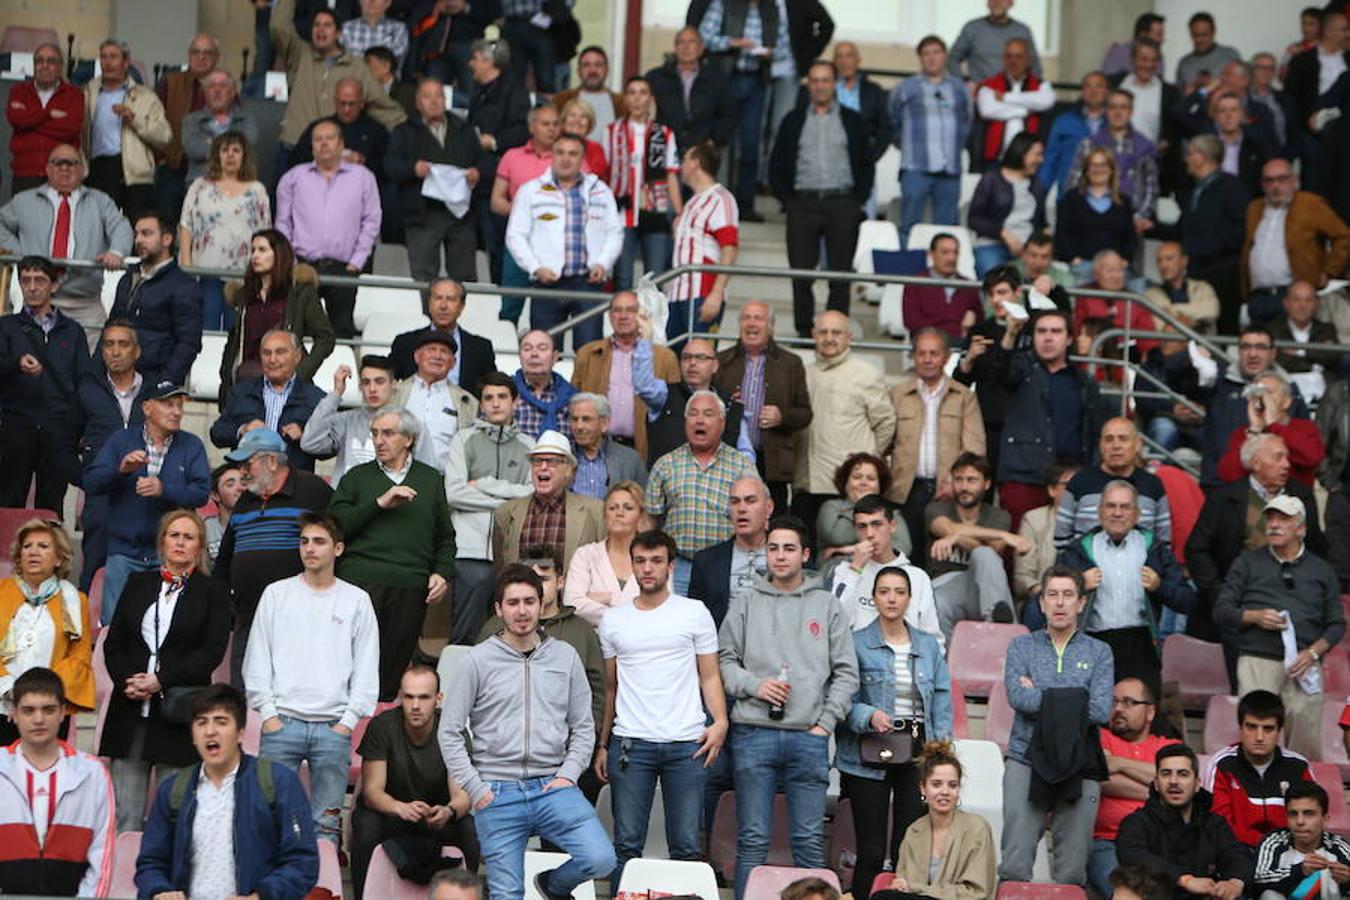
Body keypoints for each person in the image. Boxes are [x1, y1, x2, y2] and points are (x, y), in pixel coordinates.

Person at [438, 564, 616, 900]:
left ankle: (553, 886)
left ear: (541, 603)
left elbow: (582, 726)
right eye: (513, 602)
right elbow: (449, 731)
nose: (522, 611)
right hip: (496, 789)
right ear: (499, 609)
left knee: (601, 858)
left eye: (529, 601)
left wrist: (569, 774)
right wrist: (475, 787)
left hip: (553, 785)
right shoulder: (477, 661)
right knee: (507, 894)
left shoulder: (565, 657)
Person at [718, 515, 859, 899]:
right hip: (753, 732)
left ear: (805, 554)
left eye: (789, 548)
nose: (780, 556)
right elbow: (724, 660)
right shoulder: (746, 602)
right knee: (752, 840)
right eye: (774, 548)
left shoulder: (827, 605)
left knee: (809, 841)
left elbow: (847, 672)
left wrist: (824, 724)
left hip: (808, 737)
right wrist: (755, 685)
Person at [594, 529, 727, 882]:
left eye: (656, 561)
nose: (647, 568)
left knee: (685, 846)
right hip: (630, 741)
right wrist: (604, 744)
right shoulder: (613, 619)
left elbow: (710, 676)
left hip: (686, 742)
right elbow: (611, 687)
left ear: (671, 566)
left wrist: (721, 722)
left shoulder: (694, 612)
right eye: (640, 561)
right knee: (626, 845)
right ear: (632, 565)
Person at [244, 511, 380, 844]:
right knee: (268, 821)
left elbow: (366, 666)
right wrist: (269, 715)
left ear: (338, 549)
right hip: (282, 723)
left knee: (326, 826)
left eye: (319, 542)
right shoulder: (276, 594)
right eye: (304, 541)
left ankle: (324, 879)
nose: (309, 548)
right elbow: (256, 659)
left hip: (333, 727)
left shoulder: (357, 600)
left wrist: (347, 722)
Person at [99, 509, 231, 832]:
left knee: (174, 819)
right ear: (162, 542)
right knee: (125, 818)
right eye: (174, 535)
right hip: (130, 711)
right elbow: (114, 643)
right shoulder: (138, 583)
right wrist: (129, 681)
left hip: (178, 714)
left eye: (189, 537)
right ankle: (124, 868)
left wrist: (161, 680)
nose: (180, 543)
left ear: (199, 546)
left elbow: (211, 653)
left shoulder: (212, 591)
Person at [136, 683, 320, 899]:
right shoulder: (173, 789)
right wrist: (160, 890)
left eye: (221, 722)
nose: (210, 731)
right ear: (193, 735)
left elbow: (302, 862)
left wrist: (260, 896)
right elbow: (150, 862)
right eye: (201, 722)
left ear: (240, 733)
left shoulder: (278, 782)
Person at [835, 566, 954, 899]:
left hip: (917, 752)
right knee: (870, 851)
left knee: (909, 849)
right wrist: (869, 715)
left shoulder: (927, 645)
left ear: (910, 599)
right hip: (867, 752)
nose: (892, 599)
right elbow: (840, 699)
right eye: (884, 591)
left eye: (899, 592)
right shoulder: (855, 643)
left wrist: (941, 749)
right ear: (873, 598)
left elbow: (941, 697)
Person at [328, 407, 455, 699]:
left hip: (410, 585)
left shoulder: (430, 479)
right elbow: (334, 528)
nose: (378, 440)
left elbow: (445, 538)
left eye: (387, 433)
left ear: (408, 439)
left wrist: (442, 573)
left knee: (389, 676)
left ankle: (376, 726)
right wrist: (379, 503)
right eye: (374, 433)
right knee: (345, 670)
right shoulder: (357, 477)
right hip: (358, 581)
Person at [1000, 565, 1114, 887]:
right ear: (1041, 603)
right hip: (1026, 756)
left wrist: (1041, 693)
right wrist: (1076, 698)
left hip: (1081, 759)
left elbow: (1100, 710)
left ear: (1081, 603)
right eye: (1052, 594)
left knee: (1073, 871)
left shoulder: (1100, 652)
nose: (1060, 602)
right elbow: (1018, 698)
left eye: (1068, 595)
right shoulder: (1021, 646)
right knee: (1015, 863)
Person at [1214, 497, 1342, 760]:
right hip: (1257, 659)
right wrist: (1254, 616)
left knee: (1305, 735)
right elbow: (1222, 611)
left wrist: (1313, 653)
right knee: (1255, 734)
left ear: (1301, 529)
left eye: (1283, 519)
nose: (1273, 524)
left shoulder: (1322, 570)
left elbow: (1336, 624)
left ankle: (1300, 784)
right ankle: (1252, 783)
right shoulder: (1247, 562)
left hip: (1304, 663)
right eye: (1271, 518)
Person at [213, 427, 335, 687]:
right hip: (248, 619)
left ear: (271, 461)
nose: (242, 472)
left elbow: (336, 544)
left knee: (291, 691)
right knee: (245, 695)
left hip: (299, 620)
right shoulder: (246, 500)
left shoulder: (312, 490)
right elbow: (224, 559)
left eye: (247, 464)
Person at [84, 380, 212, 624]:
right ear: (147, 408)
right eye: (168, 404)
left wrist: (164, 489)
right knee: (116, 627)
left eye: (180, 405)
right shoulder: (121, 440)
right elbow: (91, 482)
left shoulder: (191, 445)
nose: (177, 412)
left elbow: (201, 493)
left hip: (169, 556)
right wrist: (120, 470)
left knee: (165, 626)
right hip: (123, 552)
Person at [1186, 432, 1327, 651]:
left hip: (1292, 607)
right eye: (1278, 457)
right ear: (1255, 463)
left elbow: (1317, 548)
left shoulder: (1302, 495)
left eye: (1287, 457)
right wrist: (1219, 593)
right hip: (1236, 609)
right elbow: (1197, 550)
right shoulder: (1223, 498)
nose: (1286, 464)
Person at [351, 665, 479, 900]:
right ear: (401, 697)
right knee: (366, 824)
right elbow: (371, 792)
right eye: (409, 697)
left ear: (438, 699)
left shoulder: (453, 731)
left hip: (436, 817)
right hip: (391, 814)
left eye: (424, 697)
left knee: (470, 829)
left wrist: (448, 811)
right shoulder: (382, 726)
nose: (415, 705)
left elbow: (462, 796)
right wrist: (399, 808)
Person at [769, 59, 873, 338]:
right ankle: (805, 331)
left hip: (843, 203)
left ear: (834, 84)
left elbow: (866, 163)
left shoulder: (853, 120)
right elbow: (776, 164)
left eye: (825, 80)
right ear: (808, 85)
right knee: (801, 273)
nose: (820, 86)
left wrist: (857, 201)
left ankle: (836, 331)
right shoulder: (793, 120)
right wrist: (788, 201)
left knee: (840, 275)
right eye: (814, 81)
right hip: (803, 204)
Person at [1056, 480, 1195, 687]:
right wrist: (1078, 585)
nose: (1117, 513)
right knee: (1094, 705)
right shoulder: (1078, 550)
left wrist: (1160, 586)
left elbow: (1188, 601)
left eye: (1125, 507)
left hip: (1141, 645)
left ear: (1137, 513)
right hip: (1092, 642)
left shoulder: (1154, 549)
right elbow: (1049, 600)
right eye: (1111, 506)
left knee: (1141, 705)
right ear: (1100, 511)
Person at [0, 667, 113, 898]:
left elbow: (102, 854)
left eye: (48, 710)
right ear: (14, 714)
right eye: (28, 710)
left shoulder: (92, 773)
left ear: (63, 712)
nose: (38, 719)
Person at [988, 308, 1103, 530]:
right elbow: (997, 372)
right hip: (1023, 476)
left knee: (1069, 544)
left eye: (1056, 331)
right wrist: (1010, 334)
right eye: (1041, 331)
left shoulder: (1083, 381)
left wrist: (1092, 476)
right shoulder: (1021, 368)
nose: (1048, 338)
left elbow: (1094, 433)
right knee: (1020, 544)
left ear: (1069, 338)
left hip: (1071, 480)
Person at [507, 132, 623, 350]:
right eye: (560, 153)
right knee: (544, 350)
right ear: (552, 156)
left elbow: (614, 232)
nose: (566, 158)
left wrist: (603, 263)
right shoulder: (531, 190)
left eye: (572, 154)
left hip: (588, 282)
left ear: (582, 159)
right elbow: (515, 235)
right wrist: (535, 268)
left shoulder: (600, 190)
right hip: (546, 282)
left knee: (590, 352)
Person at [0, 145, 133, 334]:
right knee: (31, 353)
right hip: (36, 303)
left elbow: (121, 226)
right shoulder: (23, 201)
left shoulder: (100, 201)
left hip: (85, 303)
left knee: (91, 352)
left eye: (71, 163)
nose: (64, 168)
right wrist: (20, 253)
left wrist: (116, 252)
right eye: (58, 163)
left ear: (83, 170)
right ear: (47, 169)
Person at [443, 371, 534, 645]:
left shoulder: (529, 445)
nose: (495, 403)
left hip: (513, 551)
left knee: (513, 634)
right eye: (489, 398)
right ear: (481, 403)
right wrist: (509, 501)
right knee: (465, 634)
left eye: (502, 397)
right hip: (470, 550)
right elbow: (454, 493)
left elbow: (532, 494)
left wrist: (483, 484)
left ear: (515, 402)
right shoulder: (463, 439)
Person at [0, 255, 92, 512]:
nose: (32, 287)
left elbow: (84, 380)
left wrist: (82, 427)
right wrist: (16, 363)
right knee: (8, 502)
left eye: (39, 280)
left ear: (54, 285)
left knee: (51, 506)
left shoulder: (73, 331)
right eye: (25, 280)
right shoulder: (6, 326)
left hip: (59, 428)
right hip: (16, 425)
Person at [276, 118, 382, 338]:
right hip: (302, 266)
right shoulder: (293, 177)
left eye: (329, 138)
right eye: (318, 139)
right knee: (297, 332)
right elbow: (282, 223)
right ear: (312, 145)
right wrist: (291, 262)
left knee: (341, 332)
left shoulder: (363, 177)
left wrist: (356, 262)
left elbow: (372, 219)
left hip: (345, 267)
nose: (324, 143)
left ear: (341, 144)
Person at [888, 328, 986, 561]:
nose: (928, 359)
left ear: (946, 356)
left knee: (940, 557)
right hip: (905, 489)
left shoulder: (964, 396)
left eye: (934, 353)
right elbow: (884, 442)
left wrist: (956, 481)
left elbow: (975, 448)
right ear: (913, 356)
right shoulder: (897, 395)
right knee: (906, 555)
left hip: (948, 489)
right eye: (921, 353)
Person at [646, 391, 757, 595]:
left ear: (722, 423)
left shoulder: (742, 466)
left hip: (725, 566)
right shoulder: (665, 465)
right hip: (678, 567)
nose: (699, 420)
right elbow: (650, 523)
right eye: (693, 414)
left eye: (708, 414)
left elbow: (756, 519)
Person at [269, 0, 405, 167]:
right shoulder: (299, 55)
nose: (321, 30)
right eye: (316, 25)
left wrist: (412, 132)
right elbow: (279, 27)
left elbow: (383, 107)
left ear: (339, 33)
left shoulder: (356, 66)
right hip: (294, 148)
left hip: (332, 156)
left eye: (327, 25)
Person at [796, 311, 896, 531]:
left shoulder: (866, 374)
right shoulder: (802, 374)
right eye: (823, 332)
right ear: (813, 335)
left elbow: (886, 423)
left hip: (846, 489)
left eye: (836, 332)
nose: (829, 338)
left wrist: (865, 460)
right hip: (807, 484)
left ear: (849, 336)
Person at [1115, 742, 1252, 898]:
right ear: (1157, 784)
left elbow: (1236, 855)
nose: (1174, 781)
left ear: (1197, 784)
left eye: (1183, 774)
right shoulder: (1136, 822)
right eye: (1166, 774)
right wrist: (1184, 880)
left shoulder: (1214, 823)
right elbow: (1132, 855)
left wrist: (1235, 882)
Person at [713, 301, 812, 513]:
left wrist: (782, 416)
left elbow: (805, 414)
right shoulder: (721, 361)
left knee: (773, 520)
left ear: (771, 326)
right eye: (746, 318)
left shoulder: (791, 363)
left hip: (773, 462)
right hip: (729, 459)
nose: (751, 324)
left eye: (758, 318)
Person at [0, 521, 94, 744]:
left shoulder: (75, 600)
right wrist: (12, 692)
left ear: (59, 558)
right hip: (3, 703)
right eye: (27, 546)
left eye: (43, 546)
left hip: (49, 708)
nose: (33, 551)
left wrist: (44, 694)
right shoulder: (1, 592)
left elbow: (79, 657)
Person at [386, 77, 484, 288]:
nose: (434, 101)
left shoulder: (463, 128)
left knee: (464, 277)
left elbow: (483, 161)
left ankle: (465, 311)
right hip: (421, 214)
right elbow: (390, 166)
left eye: (438, 96)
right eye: (427, 96)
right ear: (417, 102)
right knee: (424, 278)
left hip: (460, 215)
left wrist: (477, 172)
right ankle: (427, 311)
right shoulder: (404, 131)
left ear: (445, 100)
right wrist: (413, 169)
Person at [219, 228, 335, 402]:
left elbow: (326, 338)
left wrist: (301, 373)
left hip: (286, 386)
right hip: (246, 384)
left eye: (262, 250)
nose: (255, 256)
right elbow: (233, 342)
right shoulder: (245, 295)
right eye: (253, 250)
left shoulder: (300, 294)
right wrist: (226, 376)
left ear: (279, 254)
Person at [1087, 677, 1175, 898]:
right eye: (1114, 701)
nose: (1118, 708)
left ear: (1150, 712)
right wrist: (1160, 790)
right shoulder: (1097, 737)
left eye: (1128, 702)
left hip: (1159, 844)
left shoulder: (1169, 746)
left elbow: (1178, 783)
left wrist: (1120, 763)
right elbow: (1103, 780)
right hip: (1107, 841)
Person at [178, 131, 272, 331]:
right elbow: (186, 225)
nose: (230, 155)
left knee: (236, 330)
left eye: (236, 150)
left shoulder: (257, 190)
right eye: (225, 150)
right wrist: (187, 267)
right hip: (204, 272)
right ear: (217, 155)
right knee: (205, 328)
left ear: (244, 156)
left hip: (243, 274)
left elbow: (265, 233)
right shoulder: (199, 187)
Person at [571, 291, 679, 461]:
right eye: (617, 310)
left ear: (642, 315)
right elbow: (574, 401)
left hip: (645, 449)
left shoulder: (665, 358)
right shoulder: (587, 353)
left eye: (630, 310)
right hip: (597, 448)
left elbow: (675, 409)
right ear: (609, 316)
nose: (623, 316)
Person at [1242, 158, 1350, 326]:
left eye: (1282, 179)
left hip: (1295, 296)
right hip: (1258, 296)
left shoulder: (1310, 204)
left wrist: (1330, 271)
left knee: (1293, 340)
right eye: (1269, 181)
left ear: (1294, 181)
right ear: (1262, 184)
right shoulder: (1254, 208)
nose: (1276, 186)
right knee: (1259, 340)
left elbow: (1343, 236)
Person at [1205, 689, 1317, 850]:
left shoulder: (1298, 766)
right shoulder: (1222, 765)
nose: (1259, 737)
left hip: (1288, 853)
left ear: (1279, 731)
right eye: (1251, 727)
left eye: (1268, 729)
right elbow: (1218, 827)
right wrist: (1266, 844)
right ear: (1240, 728)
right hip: (1236, 852)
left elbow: (1311, 822)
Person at [927, 453, 1023, 639]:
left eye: (971, 480)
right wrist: (1002, 534)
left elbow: (994, 550)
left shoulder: (998, 516)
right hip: (945, 585)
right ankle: (945, 659)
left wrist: (957, 537)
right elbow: (947, 528)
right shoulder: (937, 508)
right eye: (958, 480)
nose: (964, 487)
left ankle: (997, 628)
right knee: (936, 603)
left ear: (986, 483)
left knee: (985, 554)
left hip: (983, 588)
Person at [828, 494, 942, 648]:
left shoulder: (917, 577)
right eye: (862, 526)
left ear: (892, 526)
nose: (869, 534)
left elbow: (933, 637)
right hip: (859, 658)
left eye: (877, 524)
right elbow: (835, 625)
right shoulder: (844, 572)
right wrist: (855, 570)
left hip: (908, 658)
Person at [888, 35, 971, 244]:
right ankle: (908, 265)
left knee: (946, 230)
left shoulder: (959, 88)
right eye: (926, 54)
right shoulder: (906, 88)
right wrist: (908, 146)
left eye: (936, 52)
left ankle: (941, 267)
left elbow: (967, 122)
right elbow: (892, 120)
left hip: (949, 169)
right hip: (915, 167)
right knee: (910, 226)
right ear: (920, 58)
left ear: (945, 56)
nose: (932, 58)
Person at [889, 740, 997, 900]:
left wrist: (918, 889)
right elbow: (903, 885)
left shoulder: (977, 828)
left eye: (952, 785)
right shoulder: (914, 831)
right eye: (936, 784)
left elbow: (976, 892)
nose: (945, 791)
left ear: (959, 789)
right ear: (923, 788)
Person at [211, 329, 329, 472]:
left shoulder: (316, 398)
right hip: (248, 478)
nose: (272, 359)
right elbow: (217, 432)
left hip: (292, 482)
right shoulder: (241, 392)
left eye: (280, 352)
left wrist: (305, 437)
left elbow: (330, 448)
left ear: (297, 357)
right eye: (266, 353)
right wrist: (242, 430)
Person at [109, 211, 203, 388]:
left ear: (167, 239)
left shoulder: (184, 286)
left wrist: (166, 381)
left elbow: (188, 343)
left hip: (155, 381)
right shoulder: (128, 278)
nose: (138, 240)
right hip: (116, 378)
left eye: (146, 234)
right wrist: (97, 371)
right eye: (136, 234)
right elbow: (111, 327)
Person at [606, 76, 681, 293]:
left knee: (654, 280)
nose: (637, 99)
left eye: (643, 93)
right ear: (625, 99)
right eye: (632, 93)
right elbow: (605, 172)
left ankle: (651, 316)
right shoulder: (611, 131)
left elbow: (671, 175)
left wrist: (678, 213)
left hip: (655, 211)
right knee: (622, 278)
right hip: (622, 212)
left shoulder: (664, 133)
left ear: (650, 99)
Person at [490, 429, 606, 569]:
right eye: (537, 461)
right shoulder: (506, 513)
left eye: (551, 461)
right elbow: (501, 570)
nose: (543, 467)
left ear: (568, 470)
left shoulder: (595, 512)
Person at [82, 39, 170, 222]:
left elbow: (164, 137)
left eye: (113, 57)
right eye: (103, 57)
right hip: (98, 171)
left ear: (126, 62)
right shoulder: (88, 93)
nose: (108, 62)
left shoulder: (145, 96)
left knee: (137, 229)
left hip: (134, 174)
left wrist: (134, 119)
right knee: (98, 228)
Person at [1055, 416, 1173, 549]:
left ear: (1138, 445)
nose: (1116, 446)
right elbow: (1061, 539)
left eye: (1123, 439)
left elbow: (1163, 543)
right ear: (1100, 445)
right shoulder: (1079, 481)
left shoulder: (1153, 485)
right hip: (1085, 561)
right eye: (1109, 439)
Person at [1174, 134, 1250, 333]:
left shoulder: (1231, 187)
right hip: (1197, 272)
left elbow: (1239, 230)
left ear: (1203, 156)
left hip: (1223, 274)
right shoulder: (1193, 190)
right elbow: (1182, 228)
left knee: (1224, 328)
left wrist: (1208, 248)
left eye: (1190, 153)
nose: (1186, 159)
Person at [666, 142, 739, 342]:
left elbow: (729, 248)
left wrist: (717, 293)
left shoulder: (720, 199)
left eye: (685, 160)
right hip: (678, 293)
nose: (681, 166)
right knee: (672, 357)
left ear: (696, 163)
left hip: (702, 293)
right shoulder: (692, 202)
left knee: (701, 354)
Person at [1069, 89, 1161, 239]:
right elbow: (1074, 184)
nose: (1118, 113)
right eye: (1113, 107)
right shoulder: (1089, 144)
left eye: (1123, 107)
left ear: (1131, 111)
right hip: (1091, 221)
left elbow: (1151, 189)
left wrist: (1138, 218)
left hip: (1131, 224)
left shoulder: (1145, 147)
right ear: (1106, 111)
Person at [644, 336, 747, 466]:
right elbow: (644, 386)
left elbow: (746, 452)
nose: (692, 363)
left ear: (715, 366)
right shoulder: (664, 395)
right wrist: (644, 341)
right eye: (686, 357)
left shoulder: (730, 405)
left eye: (700, 357)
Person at [687, 475, 772, 628]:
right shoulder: (706, 562)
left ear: (768, 508)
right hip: (724, 640)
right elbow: (695, 620)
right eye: (735, 502)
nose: (742, 509)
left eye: (750, 501)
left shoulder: (789, 556)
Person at [1214, 372, 1325, 488]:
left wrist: (1274, 425)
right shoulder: (1243, 433)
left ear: (1286, 402)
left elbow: (1312, 458)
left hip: (1294, 497)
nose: (1262, 397)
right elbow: (1227, 475)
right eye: (1256, 393)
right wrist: (1254, 430)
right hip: (1252, 497)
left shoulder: (1304, 427)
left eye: (1268, 392)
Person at [300, 354, 396, 483]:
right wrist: (336, 393)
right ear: (360, 387)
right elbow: (310, 443)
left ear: (393, 384)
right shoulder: (347, 420)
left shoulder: (407, 423)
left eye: (379, 381)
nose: (372, 389)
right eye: (366, 382)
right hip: (345, 495)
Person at [392, 331, 479, 471]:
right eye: (431, 350)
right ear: (417, 356)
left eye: (444, 352)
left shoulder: (467, 402)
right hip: (398, 476)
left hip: (445, 479)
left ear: (453, 362)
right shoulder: (394, 393)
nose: (437, 356)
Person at [154, 34, 222, 212]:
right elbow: (155, 122)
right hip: (172, 167)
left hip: (208, 171)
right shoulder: (170, 82)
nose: (201, 57)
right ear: (188, 55)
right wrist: (161, 159)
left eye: (207, 53)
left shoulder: (225, 88)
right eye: (196, 52)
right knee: (166, 222)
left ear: (217, 57)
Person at [5, 42, 83, 194]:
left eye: (51, 61)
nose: (44, 65)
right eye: (39, 61)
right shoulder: (19, 91)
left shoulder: (74, 94)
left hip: (62, 175)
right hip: (25, 174)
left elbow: (71, 129)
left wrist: (30, 120)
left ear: (60, 66)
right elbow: (17, 120)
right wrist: (48, 114)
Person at [644, 27, 737, 154]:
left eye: (691, 42)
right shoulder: (657, 77)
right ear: (675, 48)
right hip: (666, 148)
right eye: (681, 42)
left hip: (703, 150)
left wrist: (714, 142)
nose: (686, 47)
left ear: (701, 48)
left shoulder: (716, 78)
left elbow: (728, 114)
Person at [390, 280, 497, 389]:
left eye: (451, 299)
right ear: (429, 303)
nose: (443, 306)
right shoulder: (404, 343)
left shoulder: (481, 348)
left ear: (461, 307)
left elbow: (493, 388)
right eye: (438, 298)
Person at [565, 481, 645, 625]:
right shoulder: (585, 555)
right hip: (594, 637)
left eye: (628, 508)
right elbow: (573, 604)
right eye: (612, 508)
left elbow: (660, 608)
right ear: (605, 515)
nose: (619, 513)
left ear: (640, 516)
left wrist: (606, 598)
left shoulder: (654, 558)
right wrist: (622, 603)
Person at [968, 132, 1048, 275]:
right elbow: (974, 219)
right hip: (992, 245)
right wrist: (1003, 233)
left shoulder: (1037, 186)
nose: (1041, 160)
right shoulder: (992, 179)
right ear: (1022, 152)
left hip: (1027, 252)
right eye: (1037, 155)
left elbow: (1041, 224)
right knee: (996, 278)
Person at [1253, 781, 1350, 897]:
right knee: (1269, 895)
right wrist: (1300, 870)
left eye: (1309, 814)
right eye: (1293, 814)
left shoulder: (1337, 845)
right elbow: (1258, 879)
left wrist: (1347, 880)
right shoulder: (1274, 841)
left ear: (1325, 819)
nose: (1300, 821)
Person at [1056, 148, 1137, 273]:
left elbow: (1130, 238)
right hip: (1079, 268)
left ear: (1111, 170)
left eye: (1103, 165)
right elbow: (1061, 234)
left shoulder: (1124, 202)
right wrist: (1073, 259)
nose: (1098, 169)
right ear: (1086, 170)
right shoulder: (1071, 198)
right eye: (1094, 165)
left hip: (1115, 270)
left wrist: (1124, 261)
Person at [179, 69, 259, 184]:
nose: (217, 90)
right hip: (202, 184)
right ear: (205, 93)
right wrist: (232, 146)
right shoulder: (191, 120)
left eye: (223, 86)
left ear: (232, 93)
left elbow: (247, 147)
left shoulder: (246, 119)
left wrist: (211, 143)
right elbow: (194, 150)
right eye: (212, 86)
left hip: (238, 183)